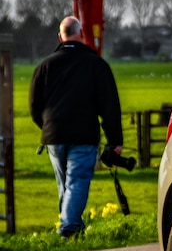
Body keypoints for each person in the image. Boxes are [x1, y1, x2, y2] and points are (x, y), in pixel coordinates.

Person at [29, 16, 124, 238]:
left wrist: (46, 127)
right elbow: (110, 106)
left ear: (60, 36)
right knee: (77, 182)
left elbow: (34, 106)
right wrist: (115, 140)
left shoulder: (44, 66)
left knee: (65, 185)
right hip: (83, 135)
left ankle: (73, 227)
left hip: (54, 135)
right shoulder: (96, 65)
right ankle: (69, 228)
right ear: (81, 35)